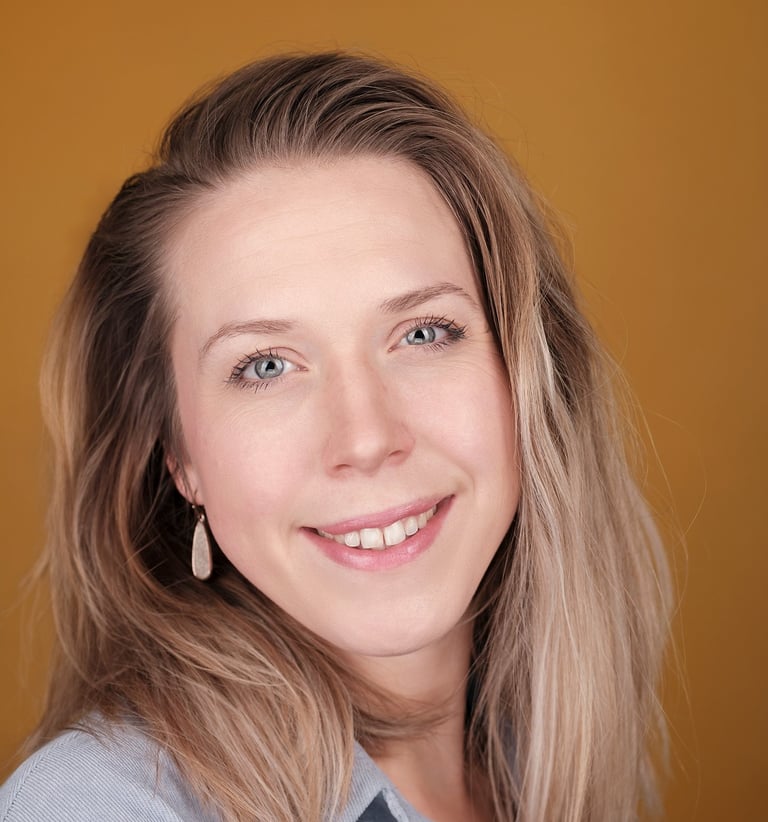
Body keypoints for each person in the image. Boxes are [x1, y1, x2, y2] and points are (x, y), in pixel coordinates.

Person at [0, 52, 671, 821]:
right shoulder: (99, 806)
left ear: (528, 370)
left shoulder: (546, 758)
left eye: (423, 332)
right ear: (178, 454)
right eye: (265, 365)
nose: (366, 437)